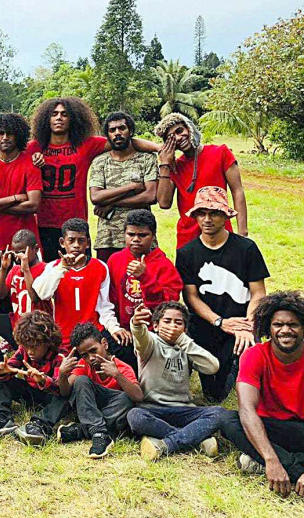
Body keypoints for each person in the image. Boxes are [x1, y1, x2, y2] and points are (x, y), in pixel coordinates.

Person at [220, 291, 304, 502]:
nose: (285, 330)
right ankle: (297, 472)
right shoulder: (254, 356)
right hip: (269, 429)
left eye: (293, 325)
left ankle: (273, 466)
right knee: (227, 420)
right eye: (278, 324)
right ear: (268, 327)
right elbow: (246, 409)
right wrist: (271, 460)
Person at [27, 98, 160, 261]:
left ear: (73, 119)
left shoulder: (86, 145)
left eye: (64, 114)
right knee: (50, 270)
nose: (59, 118)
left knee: (81, 270)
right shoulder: (35, 147)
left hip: (76, 222)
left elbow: (127, 142)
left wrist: (159, 148)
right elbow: (9, 155)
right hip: (44, 222)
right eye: (54, 114)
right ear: (46, 119)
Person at [176, 186, 268, 403]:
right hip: (207, 324)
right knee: (213, 394)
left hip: (242, 322)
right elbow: (191, 297)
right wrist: (219, 322)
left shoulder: (246, 248)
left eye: (214, 213)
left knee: (251, 369)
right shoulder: (186, 253)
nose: (207, 219)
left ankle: (244, 362)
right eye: (202, 213)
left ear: (226, 216)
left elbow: (258, 293)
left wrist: (247, 325)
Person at [126, 302, 227, 461]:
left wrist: (183, 340)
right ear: (156, 326)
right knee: (135, 416)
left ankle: (167, 444)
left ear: (185, 329)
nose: (172, 326)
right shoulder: (150, 342)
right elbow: (140, 337)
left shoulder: (186, 346)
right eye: (167, 321)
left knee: (220, 413)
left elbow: (212, 367)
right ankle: (195, 438)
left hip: (184, 410)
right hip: (153, 409)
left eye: (178, 323)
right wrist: (136, 324)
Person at [32, 218, 131, 366]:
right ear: (62, 242)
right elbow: (42, 293)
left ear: (88, 243)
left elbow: (104, 306)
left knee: (125, 348)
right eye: (71, 240)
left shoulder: (100, 267)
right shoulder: (53, 267)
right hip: (65, 336)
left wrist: (114, 328)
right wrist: (62, 268)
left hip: (94, 333)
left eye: (81, 240)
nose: (76, 245)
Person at [155, 112, 248, 249]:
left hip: (220, 235)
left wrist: (243, 234)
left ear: (189, 128)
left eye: (180, 131)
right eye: (171, 137)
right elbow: (164, 203)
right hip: (188, 240)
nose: (178, 138)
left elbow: (237, 191)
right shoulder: (175, 167)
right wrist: (164, 164)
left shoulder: (220, 153)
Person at [55, 323, 143, 458]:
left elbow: (138, 396)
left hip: (111, 411)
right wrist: (62, 374)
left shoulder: (121, 367)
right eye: (84, 355)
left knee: (127, 399)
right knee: (81, 381)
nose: (90, 358)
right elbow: (65, 392)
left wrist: (117, 375)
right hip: (90, 409)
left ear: (105, 344)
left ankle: (83, 429)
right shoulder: (84, 365)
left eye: (93, 350)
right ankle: (100, 434)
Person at [0, 112, 42, 281]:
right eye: (1, 133)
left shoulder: (31, 164)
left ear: (18, 135)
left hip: (26, 244)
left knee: (29, 290)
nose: (5, 137)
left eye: (10, 133)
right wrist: (16, 198)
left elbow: (33, 205)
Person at [0, 311, 64, 441]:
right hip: (30, 394)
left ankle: (40, 424)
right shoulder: (23, 351)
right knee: (3, 378)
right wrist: (1, 372)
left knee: (65, 394)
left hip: (50, 399)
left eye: (35, 347)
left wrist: (43, 380)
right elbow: (10, 367)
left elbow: (60, 387)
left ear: (47, 342)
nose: (30, 351)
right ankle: (0, 417)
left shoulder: (59, 355)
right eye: (27, 346)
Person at [89, 112, 158, 262]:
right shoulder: (100, 162)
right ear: (107, 135)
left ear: (130, 131)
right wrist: (131, 187)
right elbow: (95, 197)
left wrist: (111, 202)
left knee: (144, 276)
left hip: (141, 237)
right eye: (112, 130)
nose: (117, 133)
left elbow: (150, 196)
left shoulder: (147, 159)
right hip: (108, 238)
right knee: (108, 277)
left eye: (122, 128)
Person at [107, 210, 183, 337]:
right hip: (124, 332)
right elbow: (110, 299)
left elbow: (168, 306)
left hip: (155, 333)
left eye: (142, 235)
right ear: (124, 234)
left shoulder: (164, 265)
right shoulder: (115, 260)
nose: (136, 239)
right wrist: (116, 327)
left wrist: (144, 277)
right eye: (131, 234)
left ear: (153, 236)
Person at [0, 229, 49, 358]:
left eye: (22, 252)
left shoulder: (46, 269)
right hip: (15, 322)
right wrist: (3, 269)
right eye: (15, 252)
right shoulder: (15, 269)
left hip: (37, 326)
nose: (18, 256)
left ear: (35, 249)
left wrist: (26, 270)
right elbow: (0, 295)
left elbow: (34, 298)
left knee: (29, 357)